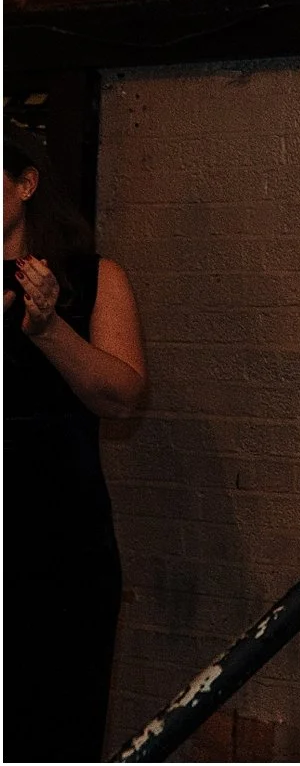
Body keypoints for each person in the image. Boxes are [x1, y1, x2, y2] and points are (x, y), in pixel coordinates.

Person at [5, 121, 149, 762]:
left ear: (26, 183)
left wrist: (47, 329)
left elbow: (120, 397)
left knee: (56, 724)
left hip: (59, 541)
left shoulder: (94, 277)